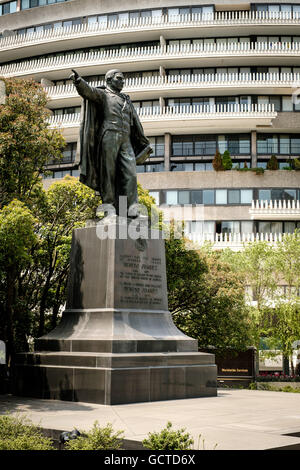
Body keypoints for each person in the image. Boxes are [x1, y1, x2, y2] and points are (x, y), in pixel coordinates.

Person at [69, 68, 152, 216]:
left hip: (126, 139)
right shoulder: (103, 94)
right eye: (119, 78)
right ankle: (109, 207)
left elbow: (136, 123)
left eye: (122, 79)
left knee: (130, 173)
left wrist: (142, 141)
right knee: (109, 172)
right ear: (109, 80)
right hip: (109, 135)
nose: (122, 81)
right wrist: (78, 81)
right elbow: (88, 91)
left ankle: (132, 208)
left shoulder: (126, 99)